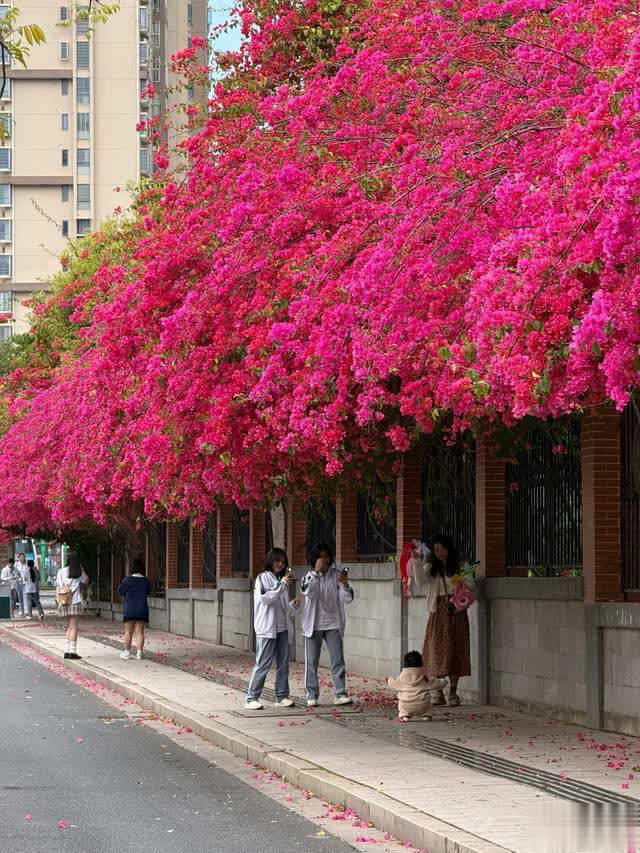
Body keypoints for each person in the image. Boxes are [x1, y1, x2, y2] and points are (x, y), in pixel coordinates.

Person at [414, 534, 471, 707]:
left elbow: (473, 585)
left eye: (441, 549)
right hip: (438, 611)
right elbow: (420, 582)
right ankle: (438, 692)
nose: (439, 553)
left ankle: (453, 692)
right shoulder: (432, 566)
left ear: (448, 548)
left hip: (457, 611)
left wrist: (461, 580)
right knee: (436, 650)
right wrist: (417, 562)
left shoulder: (461, 565)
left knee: (456, 649)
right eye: (436, 550)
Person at [300, 543, 354, 707]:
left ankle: (340, 693)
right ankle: (311, 694)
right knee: (312, 662)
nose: (324, 560)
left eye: (326, 557)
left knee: (338, 660)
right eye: (320, 557)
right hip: (313, 625)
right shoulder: (308, 577)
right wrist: (316, 573)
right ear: (314, 559)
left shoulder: (336, 575)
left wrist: (345, 584)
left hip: (333, 624)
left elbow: (347, 599)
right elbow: (309, 592)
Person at [245, 547, 297, 710]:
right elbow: (266, 599)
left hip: (282, 628)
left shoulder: (280, 581)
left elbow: (282, 607)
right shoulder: (263, 578)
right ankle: (251, 698)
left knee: (283, 664)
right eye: (277, 561)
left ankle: (282, 696)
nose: (280, 564)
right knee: (263, 663)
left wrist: (292, 606)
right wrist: (282, 585)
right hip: (267, 629)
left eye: (283, 561)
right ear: (270, 561)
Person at [387, 650, 445, 722]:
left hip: (406, 705)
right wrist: (444, 681)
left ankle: (405, 715)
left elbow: (394, 683)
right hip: (423, 705)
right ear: (421, 663)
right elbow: (437, 683)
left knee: (402, 704)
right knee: (428, 704)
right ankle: (426, 715)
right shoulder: (425, 678)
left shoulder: (402, 677)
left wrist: (389, 679)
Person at [56, 551, 89, 660]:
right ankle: (72, 652)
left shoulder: (61, 571)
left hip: (64, 601)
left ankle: (66, 651)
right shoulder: (78, 572)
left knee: (69, 627)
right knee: (74, 627)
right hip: (75, 601)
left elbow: (58, 585)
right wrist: (82, 569)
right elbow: (86, 580)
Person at [117, 557, 151, 660]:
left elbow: (120, 591)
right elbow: (148, 591)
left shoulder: (127, 580)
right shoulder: (146, 581)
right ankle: (139, 654)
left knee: (128, 631)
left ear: (132, 568)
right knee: (140, 632)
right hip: (142, 608)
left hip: (130, 608)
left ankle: (127, 653)